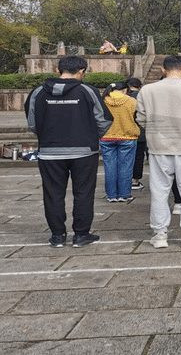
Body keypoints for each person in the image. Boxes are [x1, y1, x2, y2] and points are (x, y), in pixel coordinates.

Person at [25, 55, 113, 247]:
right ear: (82, 71)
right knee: (84, 193)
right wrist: (90, 136)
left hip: (49, 151)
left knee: (53, 194)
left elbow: (32, 122)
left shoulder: (38, 92)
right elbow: (104, 120)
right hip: (84, 151)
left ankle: (57, 236)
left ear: (58, 70)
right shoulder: (88, 91)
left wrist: (47, 136)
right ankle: (81, 235)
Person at [136, 55, 181, 249]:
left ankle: (160, 234)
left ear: (163, 70)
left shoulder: (147, 90)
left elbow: (141, 117)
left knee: (159, 191)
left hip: (159, 146)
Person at [100, 81, 140, 202]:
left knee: (109, 167)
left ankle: (111, 195)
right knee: (126, 167)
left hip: (107, 136)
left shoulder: (103, 101)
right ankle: (124, 194)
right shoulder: (131, 101)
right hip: (127, 136)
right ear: (125, 90)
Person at [126, 77, 147, 191]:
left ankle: (124, 180)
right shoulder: (144, 97)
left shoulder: (124, 97)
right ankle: (135, 180)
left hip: (125, 132)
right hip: (141, 132)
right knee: (139, 157)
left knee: (125, 158)